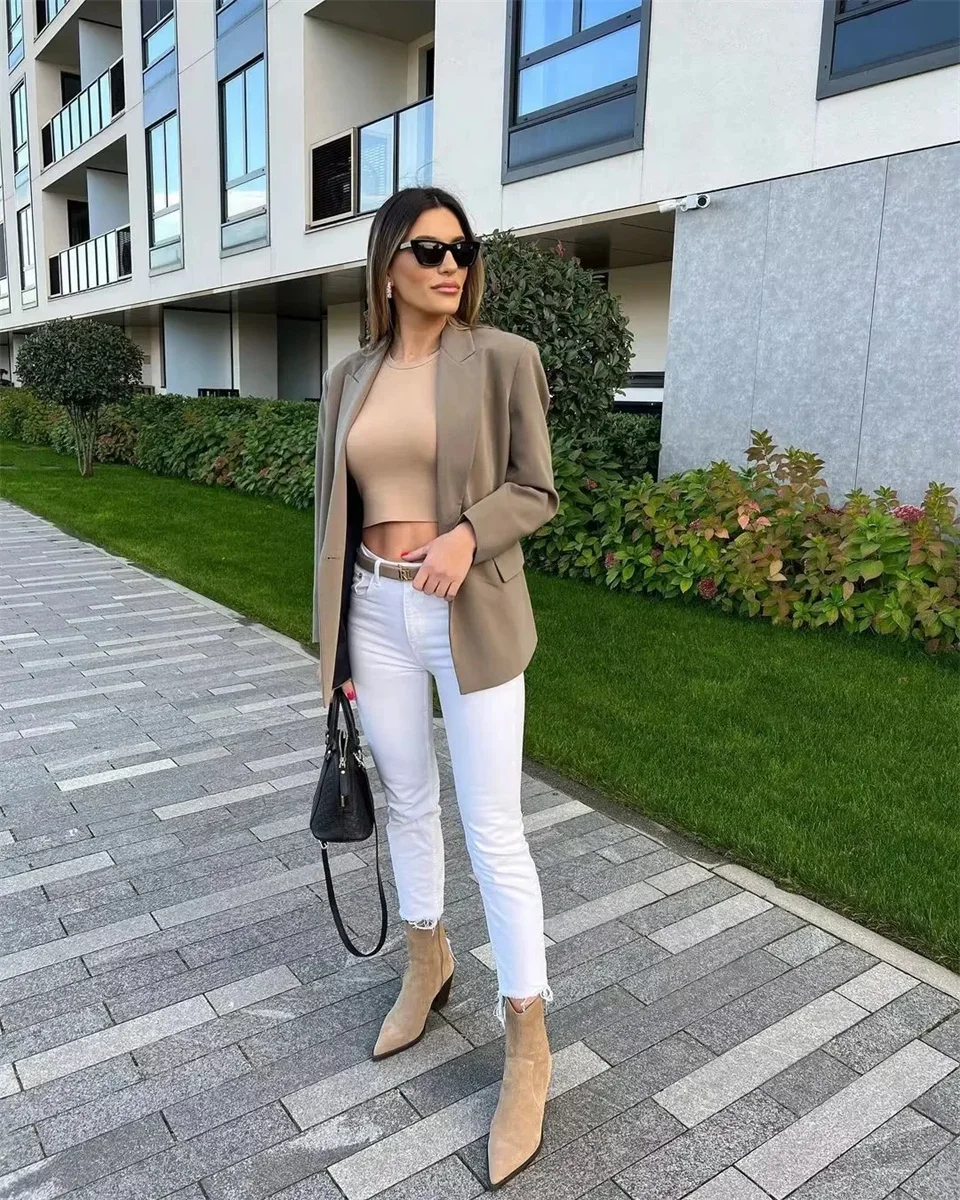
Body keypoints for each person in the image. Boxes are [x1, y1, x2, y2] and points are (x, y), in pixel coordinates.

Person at [312, 186, 559, 1188]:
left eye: (462, 248)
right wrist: (333, 647)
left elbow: (535, 488)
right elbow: (331, 514)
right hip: (373, 610)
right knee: (408, 800)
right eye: (428, 249)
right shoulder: (348, 378)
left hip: (467, 608)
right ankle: (428, 962)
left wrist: (466, 536)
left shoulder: (502, 359)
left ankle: (528, 1041)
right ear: (387, 265)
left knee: (493, 824)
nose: (450, 264)